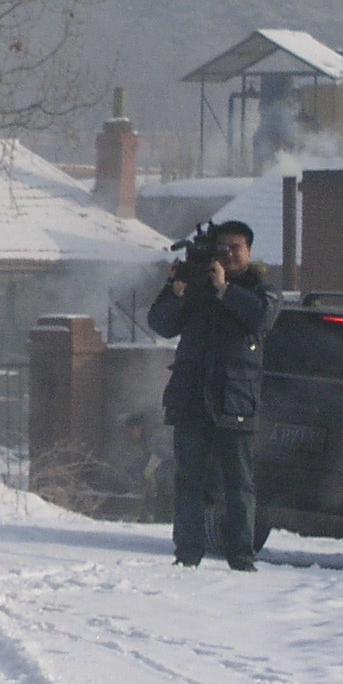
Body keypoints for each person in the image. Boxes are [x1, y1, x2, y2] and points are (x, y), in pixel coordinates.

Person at [146, 220, 277, 569]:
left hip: (235, 400)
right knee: (188, 481)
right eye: (223, 248)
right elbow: (161, 324)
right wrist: (175, 290)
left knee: (238, 485)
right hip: (191, 399)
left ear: (248, 251)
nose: (229, 254)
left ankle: (241, 557)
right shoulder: (195, 285)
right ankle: (187, 555)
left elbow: (262, 317)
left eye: (236, 248)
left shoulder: (258, 288)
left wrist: (224, 289)